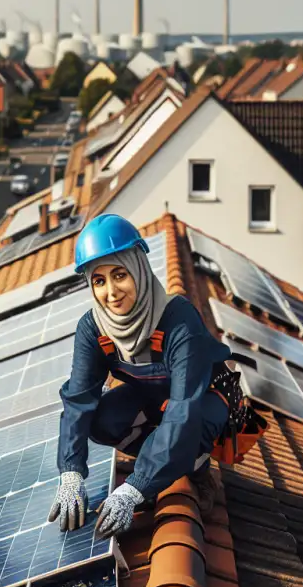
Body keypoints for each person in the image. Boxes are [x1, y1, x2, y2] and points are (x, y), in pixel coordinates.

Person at [49, 214, 235, 539]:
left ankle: (196, 467)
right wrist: (70, 473)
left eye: (119, 274)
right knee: (99, 419)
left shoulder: (178, 319)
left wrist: (133, 489)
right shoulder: (94, 329)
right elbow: (79, 400)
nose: (110, 292)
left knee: (193, 426)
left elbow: (182, 411)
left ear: (138, 267)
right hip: (152, 396)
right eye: (99, 280)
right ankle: (161, 464)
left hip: (205, 398)